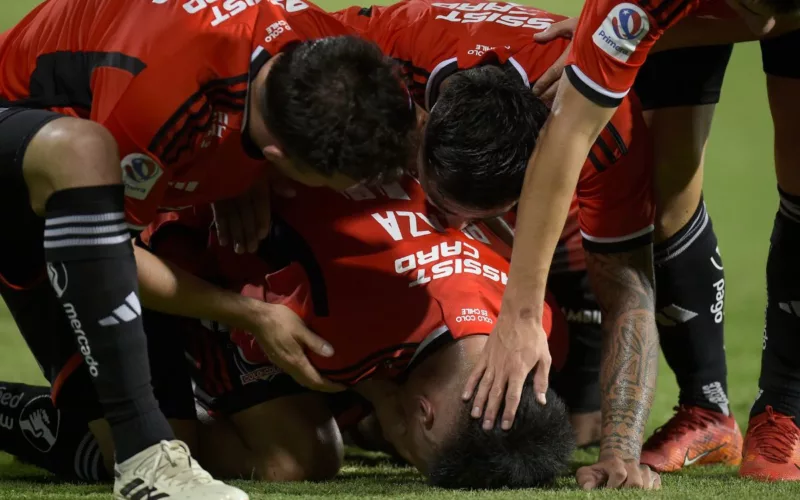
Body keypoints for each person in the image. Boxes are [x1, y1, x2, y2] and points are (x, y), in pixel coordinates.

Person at [0, 0, 416, 497]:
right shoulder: (160, 102)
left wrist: (236, 177)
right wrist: (250, 314)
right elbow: (109, 256)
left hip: (138, 166)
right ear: (278, 154)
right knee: (138, 443)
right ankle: (135, 451)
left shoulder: (326, 48)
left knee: (292, 457)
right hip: (31, 188)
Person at [0, 175, 579, 489]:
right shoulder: (339, 335)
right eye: (417, 455)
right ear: (423, 413)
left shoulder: (536, 321)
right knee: (283, 459)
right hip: (113, 234)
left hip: (254, 182)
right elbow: (261, 336)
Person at [467, 0, 799, 487]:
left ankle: (785, 410)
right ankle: (706, 412)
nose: (759, 23)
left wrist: (645, 35)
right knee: (660, 193)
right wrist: (520, 315)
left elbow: (768, 18)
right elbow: (568, 135)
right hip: (672, 8)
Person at [335, 0, 660, 488]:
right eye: (436, 195)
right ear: (425, 121)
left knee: (581, 426)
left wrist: (620, 452)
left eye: (473, 216)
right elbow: (270, 53)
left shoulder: (610, 134)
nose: (447, 222)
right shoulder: (388, 45)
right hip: (425, 64)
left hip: (568, 207)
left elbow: (630, 289)